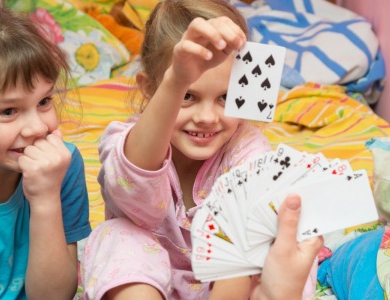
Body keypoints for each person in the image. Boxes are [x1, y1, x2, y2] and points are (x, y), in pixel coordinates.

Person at [81, 0, 321, 299]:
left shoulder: (248, 149)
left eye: (225, 97)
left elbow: (243, 248)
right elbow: (134, 193)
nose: (207, 117)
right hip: (150, 282)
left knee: (275, 241)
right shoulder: (125, 140)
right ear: (149, 89)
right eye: (188, 96)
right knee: (116, 235)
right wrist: (176, 80)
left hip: (228, 287)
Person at [0, 3, 91, 299]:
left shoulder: (63, 165)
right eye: (8, 111)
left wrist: (46, 199)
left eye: (44, 102)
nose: (36, 127)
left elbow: (54, 296)